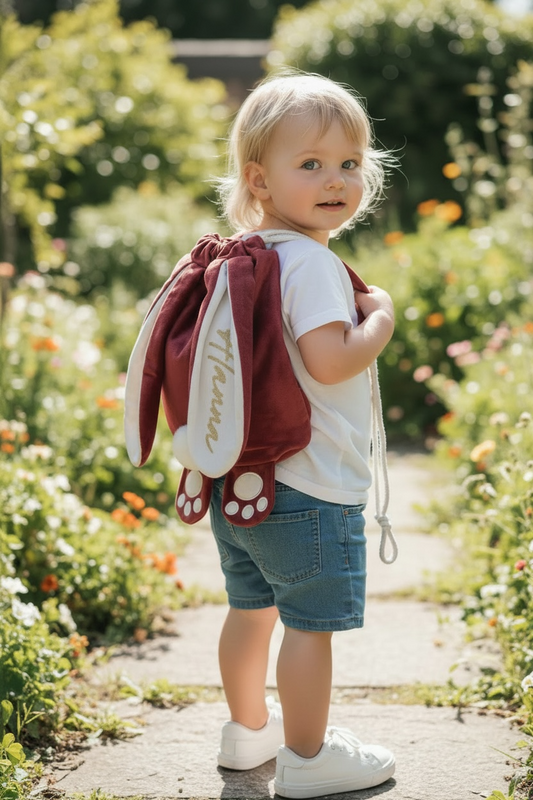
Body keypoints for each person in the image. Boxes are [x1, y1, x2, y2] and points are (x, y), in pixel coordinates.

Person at [210, 70, 397, 798]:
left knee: (248, 609)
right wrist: (379, 317)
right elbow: (329, 361)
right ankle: (309, 757)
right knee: (307, 626)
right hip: (306, 483)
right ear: (259, 178)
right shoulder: (312, 264)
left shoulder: (241, 255)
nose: (335, 180)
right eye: (310, 164)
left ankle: (246, 733)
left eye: (349, 163)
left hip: (238, 477)